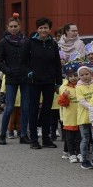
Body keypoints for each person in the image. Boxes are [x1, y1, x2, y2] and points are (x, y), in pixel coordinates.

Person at [21, 17, 63, 149]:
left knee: (47, 111)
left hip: (49, 81)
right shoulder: (30, 42)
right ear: (37, 29)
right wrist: (29, 72)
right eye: (41, 28)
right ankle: (34, 139)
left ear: (49, 29)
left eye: (45, 28)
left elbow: (57, 64)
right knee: (34, 110)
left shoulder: (53, 44)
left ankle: (46, 139)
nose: (43, 30)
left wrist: (58, 83)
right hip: (34, 81)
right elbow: (23, 62)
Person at [0, 14, 30, 145]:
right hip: (11, 77)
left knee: (25, 107)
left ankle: (23, 134)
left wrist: (28, 70)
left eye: (16, 26)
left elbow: (29, 58)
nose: (13, 28)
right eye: (11, 26)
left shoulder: (25, 41)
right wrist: (8, 71)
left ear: (20, 27)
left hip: (24, 77)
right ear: (7, 27)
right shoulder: (3, 42)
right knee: (9, 107)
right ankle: (3, 135)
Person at [74, 64, 93, 169]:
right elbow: (81, 101)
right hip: (83, 118)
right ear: (79, 76)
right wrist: (92, 106)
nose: (85, 76)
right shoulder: (78, 87)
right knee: (85, 139)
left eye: (87, 74)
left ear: (91, 74)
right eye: (82, 75)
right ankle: (84, 159)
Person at [58, 63, 81, 162]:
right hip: (69, 117)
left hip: (80, 117)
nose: (73, 78)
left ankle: (78, 152)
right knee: (70, 137)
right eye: (71, 76)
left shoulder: (81, 86)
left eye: (75, 76)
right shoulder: (64, 88)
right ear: (67, 77)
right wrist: (64, 96)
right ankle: (70, 153)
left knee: (79, 137)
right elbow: (62, 103)